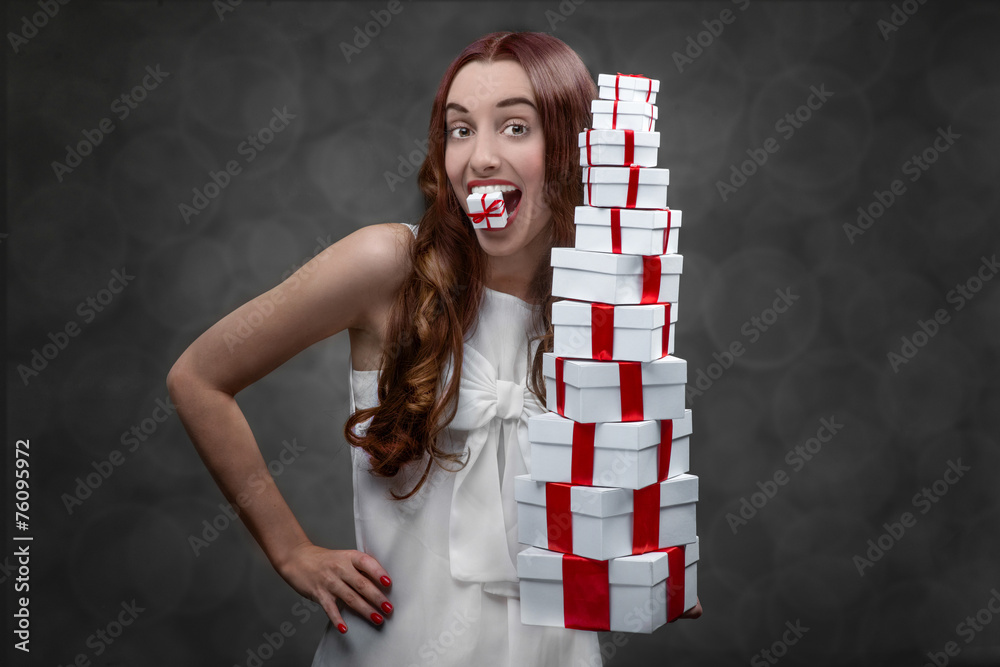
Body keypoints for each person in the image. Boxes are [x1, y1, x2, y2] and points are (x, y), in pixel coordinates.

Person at [168, 31, 698, 667]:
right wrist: (292, 551)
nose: (479, 158)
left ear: (572, 146)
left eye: (515, 128)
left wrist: (647, 557)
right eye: (460, 129)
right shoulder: (388, 264)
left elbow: (611, 485)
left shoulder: (604, 304)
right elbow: (198, 378)